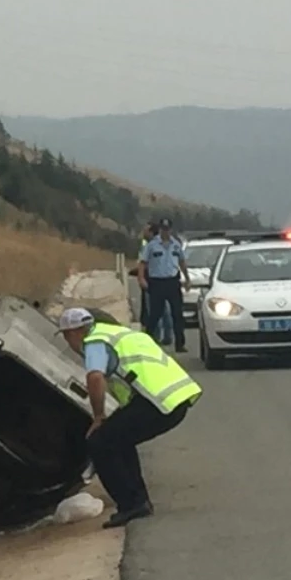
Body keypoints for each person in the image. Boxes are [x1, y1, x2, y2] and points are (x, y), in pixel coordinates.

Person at [57, 307, 201, 528]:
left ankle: (132, 504)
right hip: (175, 398)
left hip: (156, 402)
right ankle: (137, 501)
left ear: (76, 332)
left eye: (67, 336)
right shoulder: (121, 334)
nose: (69, 343)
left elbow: (95, 377)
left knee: (99, 441)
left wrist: (98, 416)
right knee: (118, 438)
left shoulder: (94, 341)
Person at [139, 218, 189, 352]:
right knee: (155, 314)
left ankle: (180, 344)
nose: (165, 232)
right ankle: (147, 342)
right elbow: (143, 263)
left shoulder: (176, 244)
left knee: (177, 314)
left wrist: (187, 279)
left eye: (167, 229)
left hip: (172, 282)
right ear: (159, 230)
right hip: (157, 283)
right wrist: (141, 278)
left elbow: (182, 262)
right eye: (163, 229)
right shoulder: (152, 245)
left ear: (170, 230)